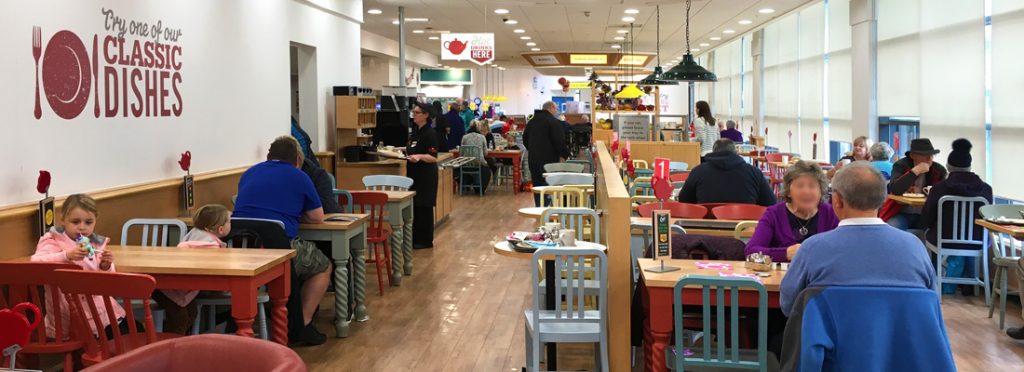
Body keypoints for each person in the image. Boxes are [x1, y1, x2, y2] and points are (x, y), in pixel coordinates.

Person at [780, 162, 936, 316]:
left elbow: (788, 306)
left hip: (830, 339)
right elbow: (931, 305)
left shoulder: (812, 248)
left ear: (837, 200)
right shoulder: (915, 247)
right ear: (882, 200)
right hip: (900, 339)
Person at [233, 136, 331, 345]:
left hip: (240, 250)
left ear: (268, 156)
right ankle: (301, 324)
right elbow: (317, 217)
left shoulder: (249, 173)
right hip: (278, 249)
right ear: (297, 159)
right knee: (323, 266)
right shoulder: (300, 176)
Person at [32, 194, 128, 339]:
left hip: (99, 310)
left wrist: (106, 265)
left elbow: (107, 281)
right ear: (63, 220)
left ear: (95, 222)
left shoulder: (96, 243)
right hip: (67, 314)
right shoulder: (52, 240)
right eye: (75, 222)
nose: (82, 227)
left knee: (132, 329)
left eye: (88, 222)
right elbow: (35, 263)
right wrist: (66, 256)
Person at [921, 139, 992, 290]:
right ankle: (970, 288)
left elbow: (927, 218)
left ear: (948, 167)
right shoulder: (986, 189)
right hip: (978, 241)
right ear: (970, 166)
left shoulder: (939, 189)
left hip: (943, 240)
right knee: (973, 237)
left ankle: (934, 283)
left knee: (928, 232)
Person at [152, 204, 231, 335]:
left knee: (190, 313)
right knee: (180, 319)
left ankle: (178, 340)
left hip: (168, 286)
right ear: (220, 229)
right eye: (229, 221)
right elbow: (214, 272)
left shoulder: (194, 233)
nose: (231, 223)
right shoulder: (211, 247)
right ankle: (172, 345)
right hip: (172, 289)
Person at [746, 161, 839, 263]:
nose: (806, 191)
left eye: (812, 186)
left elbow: (844, 250)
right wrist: (785, 253)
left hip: (822, 276)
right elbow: (751, 252)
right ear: (789, 192)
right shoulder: (774, 214)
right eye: (799, 186)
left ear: (820, 191)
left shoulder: (832, 214)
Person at [677, 139, 776, 206]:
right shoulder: (754, 172)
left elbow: (684, 200)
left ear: (713, 152)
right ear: (736, 153)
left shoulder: (698, 171)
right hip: (745, 226)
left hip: (707, 226)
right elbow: (770, 202)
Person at [884, 138, 949, 230]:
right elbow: (895, 189)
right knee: (891, 227)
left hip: (926, 215)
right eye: (925, 155)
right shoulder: (901, 165)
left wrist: (922, 192)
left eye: (931, 155)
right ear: (912, 155)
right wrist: (915, 171)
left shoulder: (938, 170)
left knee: (935, 230)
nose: (929, 159)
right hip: (902, 212)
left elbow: (941, 193)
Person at [407, 102, 441, 248]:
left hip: (426, 176)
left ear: (426, 115)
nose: (414, 115)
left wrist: (420, 156)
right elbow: (412, 148)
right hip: (413, 175)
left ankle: (425, 240)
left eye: (417, 113)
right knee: (416, 207)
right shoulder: (415, 132)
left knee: (424, 207)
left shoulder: (430, 133)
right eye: (413, 112)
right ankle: (415, 239)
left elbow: (433, 157)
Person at [523, 101, 570, 204]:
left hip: (533, 159)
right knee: (549, 185)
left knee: (537, 186)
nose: (556, 111)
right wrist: (564, 155)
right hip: (549, 161)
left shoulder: (531, 122)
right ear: (551, 108)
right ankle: (548, 211)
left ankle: (540, 209)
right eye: (556, 109)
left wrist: (533, 150)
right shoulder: (554, 122)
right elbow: (559, 142)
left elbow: (525, 139)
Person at [461, 121, 493, 193]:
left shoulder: (464, 137)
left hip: (466, 163)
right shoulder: (482, 137)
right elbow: (485, 153)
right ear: (479, 128)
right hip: (479, 163)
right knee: (487, 169)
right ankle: (480, 188)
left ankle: (465, 185)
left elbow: (461, 153)